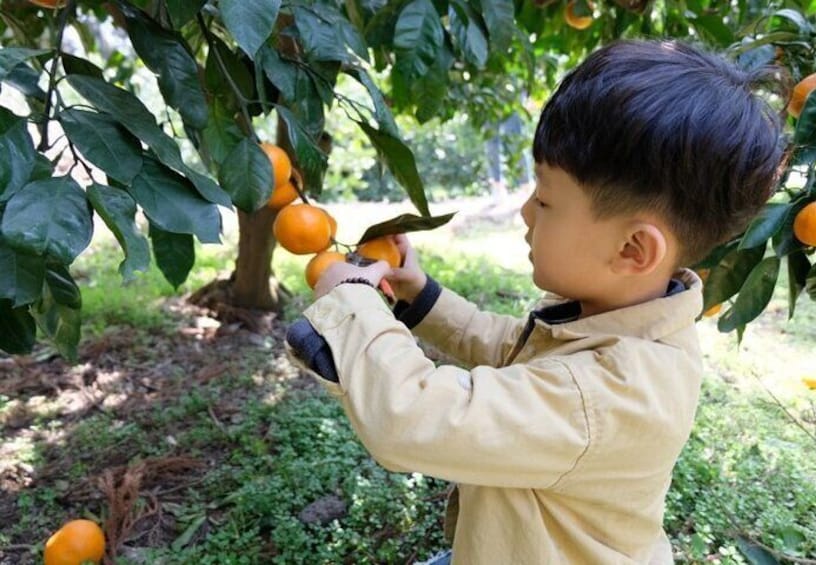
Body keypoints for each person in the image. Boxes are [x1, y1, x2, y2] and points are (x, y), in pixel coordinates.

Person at [285, 39, 786, 563]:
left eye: (545, 199)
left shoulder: (610, 396)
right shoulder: (621, 318)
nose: (525, 212)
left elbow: (412, 416)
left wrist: (351, 301)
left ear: (633, 248)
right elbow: (512, 348)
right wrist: (422, 295)